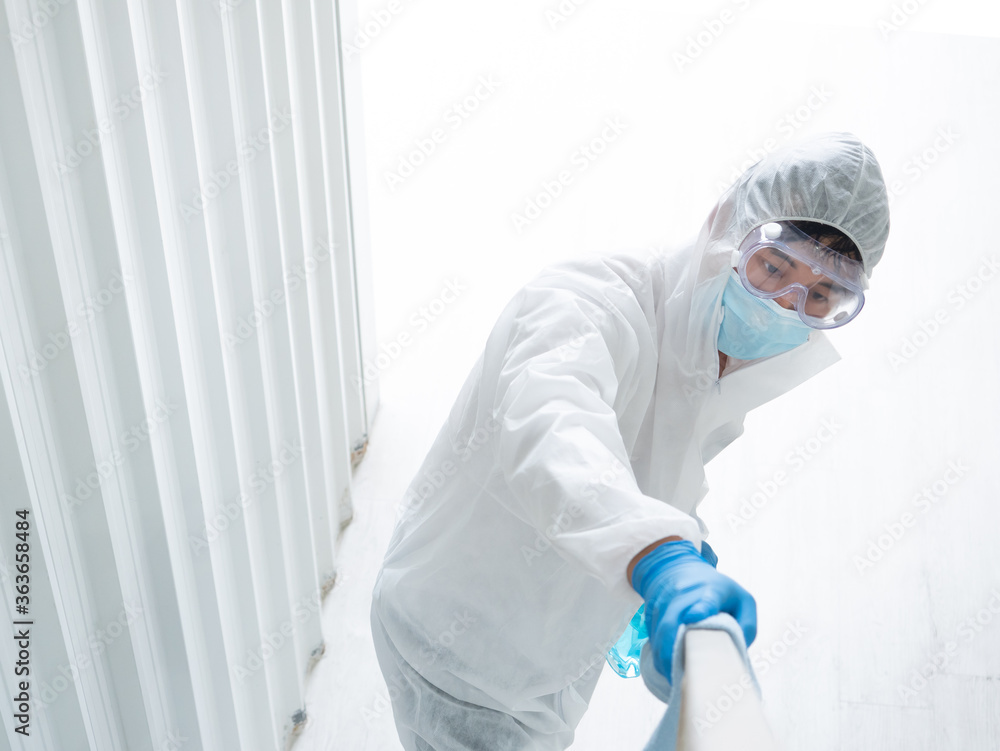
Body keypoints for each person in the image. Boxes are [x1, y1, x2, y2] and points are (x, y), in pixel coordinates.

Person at [370, 131, 891, 750]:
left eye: (821, 294)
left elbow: (647, 459)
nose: (784, 305)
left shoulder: (710, 358)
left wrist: (677, 542)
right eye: (774, 267)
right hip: (463, 654)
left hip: (545, 660)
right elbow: (554, 430)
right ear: (726, 224)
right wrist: (656, 554)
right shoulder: (589, 300)